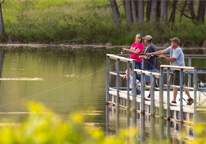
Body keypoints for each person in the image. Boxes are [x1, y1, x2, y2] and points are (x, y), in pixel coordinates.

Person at [146, 37, 194, 105]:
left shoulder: (178, 50)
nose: (171, 43)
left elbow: (172, 60)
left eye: (172, 42)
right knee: (182, 84)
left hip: (179, 70)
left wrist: (164, 57)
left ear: (176, 43)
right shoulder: (171, 48)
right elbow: (162, 51)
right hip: (175, 69)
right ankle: (190, 98)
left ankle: (174, 101)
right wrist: (151, 53)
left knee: (175, 85)